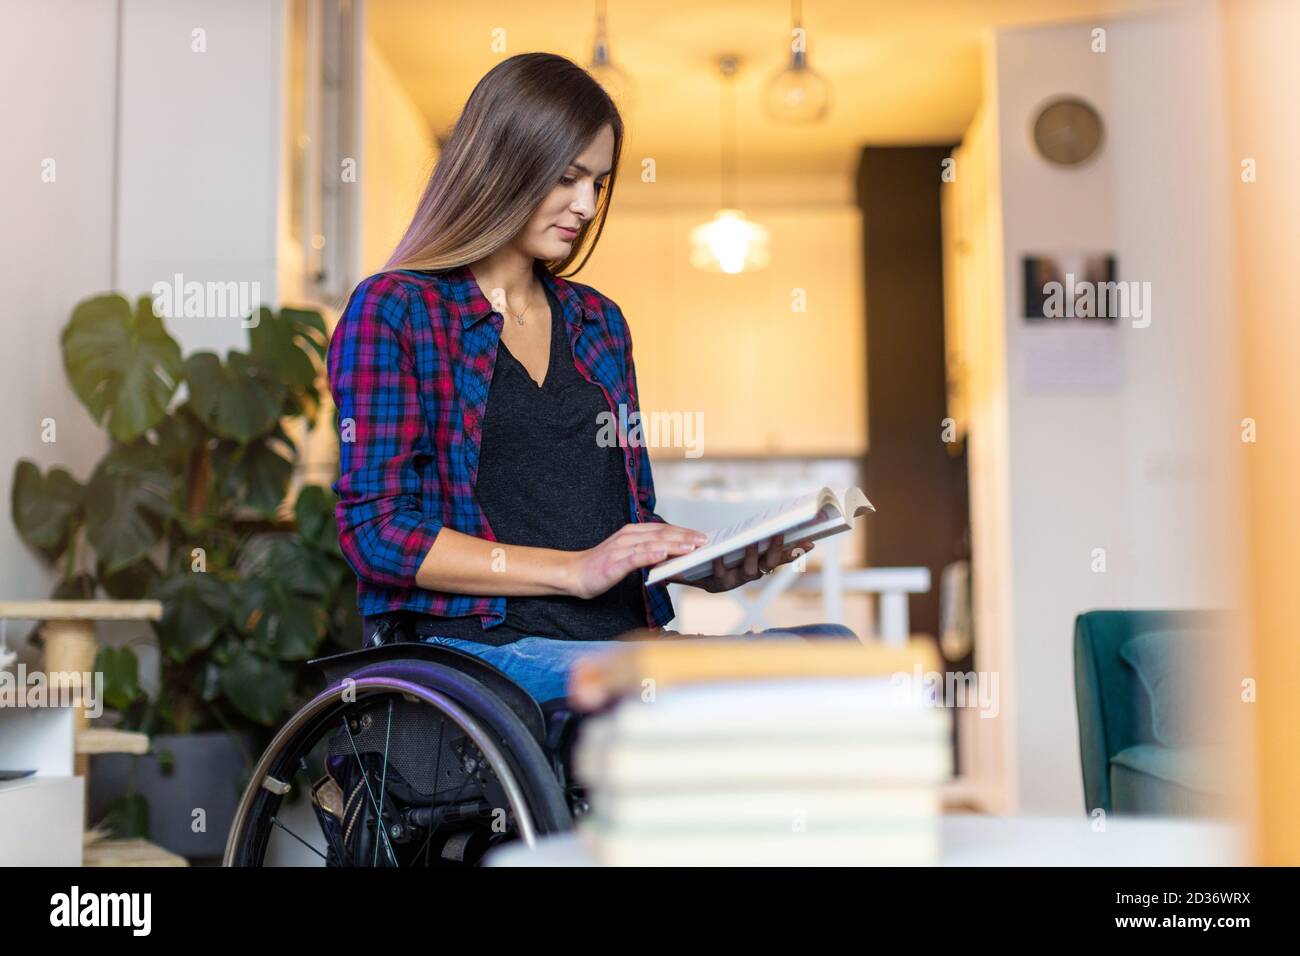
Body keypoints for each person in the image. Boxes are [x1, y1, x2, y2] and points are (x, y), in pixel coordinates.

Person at [327, 52, 856, 706]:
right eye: (567, 177)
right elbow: (377, 534)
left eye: (598, 184)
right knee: (704, 695)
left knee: (834, 651)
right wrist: (573, 572)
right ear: (501, 166)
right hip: (486, 650)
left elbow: (619, 518)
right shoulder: (397, 309)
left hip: (625, 639)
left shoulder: (598, 322)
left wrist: (705, 568)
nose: (584, 204)